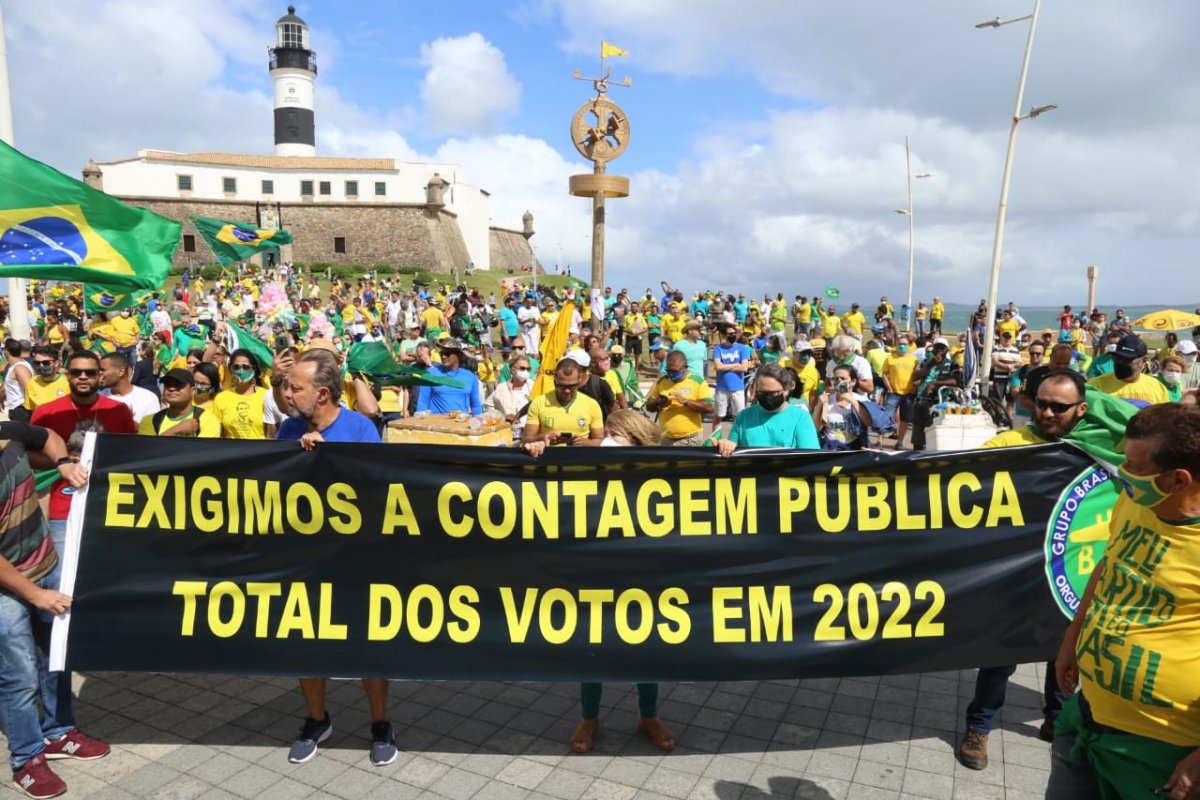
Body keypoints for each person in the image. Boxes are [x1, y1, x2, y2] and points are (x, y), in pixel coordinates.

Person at [1049, 404, 1200, 798]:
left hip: (1161, 751)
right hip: (1085, 719)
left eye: (1134, 466)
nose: (1121, 471)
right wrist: (1072, 638)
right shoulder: (1138, 501)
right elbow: (1108, 565)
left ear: (1177, 480)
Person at [956, 371, 1093, 770]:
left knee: (1062, 656)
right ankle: (978, 728)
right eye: (1041, 403)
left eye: (1059, 406)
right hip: (1013, 578)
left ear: (1081, 409)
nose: (1047, 412)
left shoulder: (1099, 450)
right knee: (998, 658)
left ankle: (1058, 721)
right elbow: (962, 488)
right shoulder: (1007, 444)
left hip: (1068, 576)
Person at [273, 349, 390, 766]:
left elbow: (378, 487)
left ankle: (379, 723)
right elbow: (270, 488)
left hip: (355, 557)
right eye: (287, 386)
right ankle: (316, 719)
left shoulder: (360, 428)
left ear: (322, 394)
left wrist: (329, 460)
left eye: (294, 387)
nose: (286, 393)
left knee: (367, 644)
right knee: (306, 644)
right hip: (304, 558)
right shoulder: (287, 430)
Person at [0, 420, 108, 799]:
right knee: (19, 675)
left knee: (55, 657)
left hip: (42, 566)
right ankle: (27, 760)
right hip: (7, 589)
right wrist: (34, 593)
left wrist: (61, 461)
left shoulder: (7, 431)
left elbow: (47, 437)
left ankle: (59, 732)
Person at [567, 409, 677, 754]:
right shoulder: (587, 468)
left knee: (648, 644)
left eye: (617, 434)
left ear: (638, 441)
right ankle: (589, 717)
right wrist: (536, 448)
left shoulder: (663, 477)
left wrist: (723, 448)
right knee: (592, 643)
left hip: (645, 572)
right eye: (607, 431)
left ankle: (649, 716)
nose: (608, 439)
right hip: (596, 570)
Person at [30, 351, 137, 556]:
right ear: (67, 375)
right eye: (76, 372)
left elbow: (131, 454)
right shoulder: (46, 412)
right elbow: (28, 456)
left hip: (110, 506)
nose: (83, 377)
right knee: (62, 576)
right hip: (63, 507)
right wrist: (62, 463)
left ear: (100, 376)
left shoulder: (119, 410)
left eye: (90, 373)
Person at [717, 363, 819, 454]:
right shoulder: (743, 417)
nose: (767, 397)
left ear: (786, 390)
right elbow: (730, 449)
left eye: (773, 393)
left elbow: (810, 457)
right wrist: (725, 445)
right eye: (761, 393)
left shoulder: (801, 418)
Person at [521, 359, 604, 455]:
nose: (567, 391)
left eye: (572, 386)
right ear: (555, 378)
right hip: (548, 460)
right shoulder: (538, 403)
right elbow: (526, 441)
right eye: (562, 386)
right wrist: (544, 437)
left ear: (580, 378)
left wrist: (584, 442)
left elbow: (600, 441)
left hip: (580, 460)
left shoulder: (592, 404)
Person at [644, 350, 712, 446]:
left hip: (690, 440)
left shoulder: (698, 381)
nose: (671, 374)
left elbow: (708, 407)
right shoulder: (662, 381)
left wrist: (686, 402)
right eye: (668, 371)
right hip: (666, 439)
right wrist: (657, 402)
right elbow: (648, 405)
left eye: (675, 371)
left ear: (685, 367)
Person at [1087, 334, 1170, 408]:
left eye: (1127, 360)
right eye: (1117, 358)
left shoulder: (1158, 388)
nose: (1120, 363)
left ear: (1144, 361)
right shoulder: (1096, 386)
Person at [209, 349, 273, 439]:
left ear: (253, 369)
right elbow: (218, 434)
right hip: (232, 451)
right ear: (231, 370)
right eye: (236, 367)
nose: (241, 371)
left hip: (260, 451)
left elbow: (271, 433)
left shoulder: (266, 396)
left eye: (246, 367)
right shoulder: (221, 398)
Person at [909, 341, 961, 451]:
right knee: (918, 440)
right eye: (935, 349)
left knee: (938, 436)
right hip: (922, 403)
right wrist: (931, 364)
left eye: (941, 349)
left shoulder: (952, 364)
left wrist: (934, 383)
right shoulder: (926, 362)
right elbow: (915, 377)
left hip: (940, 405)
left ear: (945, 350)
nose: (937, 351)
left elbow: (955, 381)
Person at [138, 368, 220, 437]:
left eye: (178, 384)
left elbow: (203, 454)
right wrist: (177, 429)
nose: (172, 388)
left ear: (192, 391)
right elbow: (148, 450)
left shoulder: (207, 420)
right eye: (167, 385)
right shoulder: (151, 420)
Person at [416, 339, 483, 416]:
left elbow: (476, 405)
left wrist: (478, 421)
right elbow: (422, 403)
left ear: (459, 355)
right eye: (442, 353)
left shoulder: (470, 376)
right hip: (436, 425)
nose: (443, 356)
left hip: (460, 424)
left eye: (447, 353)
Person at [814, 364, 873, 450]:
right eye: (835, 379)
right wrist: (819, 405)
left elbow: (869, 423)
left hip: (855, 447)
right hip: (832, 447)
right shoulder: (828, 400)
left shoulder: (861, 400)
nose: (839, 381)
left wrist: (852, 400)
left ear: (853, 381)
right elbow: (818, 427)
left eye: (843, 378)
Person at [98, 352, 161, 424]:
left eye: (103, 370)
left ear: (120, 372)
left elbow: (153, 432)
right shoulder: (98, 398)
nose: (99, 373)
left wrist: (131, 424)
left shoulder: (148, 398)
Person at [881, 335, 919, 446]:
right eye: (900, 344)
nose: (902, 346)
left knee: (905, 419)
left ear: (909, 346)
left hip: (908, 394)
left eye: (904, 344)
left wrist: (914, 388)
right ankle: (880, 440)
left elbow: (918, 376)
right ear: (896, 345)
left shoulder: (914, 359)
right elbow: (884, 374)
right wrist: (889, 388)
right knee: (886, 417)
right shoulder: (890, 358)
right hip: (893, 393)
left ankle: (900, 441)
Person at [486, 353, 533, 437]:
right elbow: (487, 407)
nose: (525, 371)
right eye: (522, 368)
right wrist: (502, 417)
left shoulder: (534, 387)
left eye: (528, 369)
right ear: (512, 370)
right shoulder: (501, 388)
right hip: (508, 434)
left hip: (531, 435)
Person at [712, 324, 752, 421]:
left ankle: (735, 436)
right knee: (718, 417)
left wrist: (724, 366)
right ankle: (716, 436)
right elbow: (718, 366)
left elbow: (744, 368)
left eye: (734, 333)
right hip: (722, 387)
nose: (733, 335)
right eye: (730, 334)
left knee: (738, 418)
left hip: (738, 387)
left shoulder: (742, 348)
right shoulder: (718, 349)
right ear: (723, 335)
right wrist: (735, 365)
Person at [23, 347, 68, 415]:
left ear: (56, 363)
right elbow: (32, 410)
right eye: (37, 363)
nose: (41, 366)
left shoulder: (68, 382)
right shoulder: (31, 383)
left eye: (46, 363)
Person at [4, 339, 33, 423]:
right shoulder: (14, 366)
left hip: (22, 410)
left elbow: (29, 388)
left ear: (6, 351)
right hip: (18, 409)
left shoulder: (19, 367)